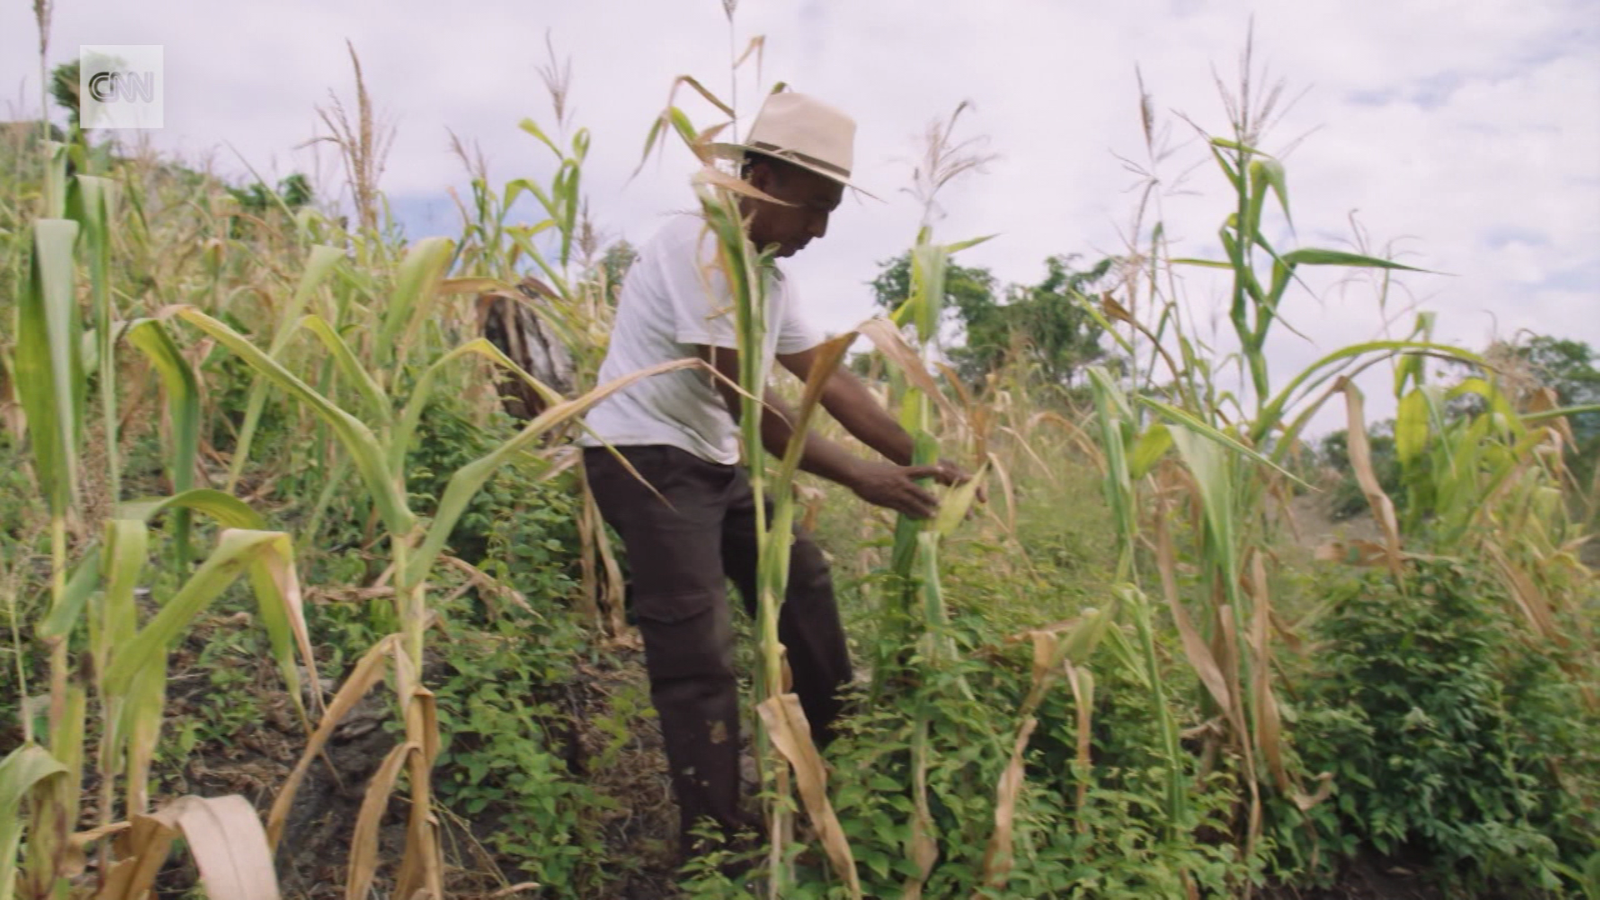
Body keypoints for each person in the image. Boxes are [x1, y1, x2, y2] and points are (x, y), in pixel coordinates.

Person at [578, 91, 970, 856]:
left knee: (803, 577)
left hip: (711, 459)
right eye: (814, 207)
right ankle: (715, 841)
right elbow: (741, 393)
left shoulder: (770, 276)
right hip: (646, 457)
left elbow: (827, 377)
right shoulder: (699, 246)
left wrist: (910, 452)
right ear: (759, 177)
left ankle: (838, 762)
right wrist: (859, 476)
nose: (820, 230)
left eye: (832, 211)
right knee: (697, 646)